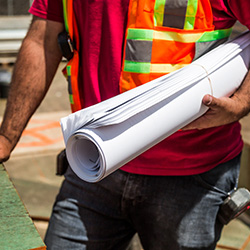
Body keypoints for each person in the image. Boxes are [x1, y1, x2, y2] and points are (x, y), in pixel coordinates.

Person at [0, 0, 250, 249]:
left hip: (192, 174)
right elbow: (43, 38)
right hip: (93, 162)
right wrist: (7, 137)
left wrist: (242, 101)